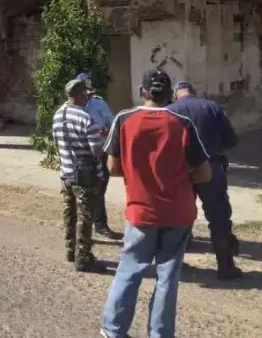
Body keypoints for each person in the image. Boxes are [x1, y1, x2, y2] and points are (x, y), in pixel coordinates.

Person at [100, 70, 211, 338]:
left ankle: (113, 329)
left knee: (129, 270)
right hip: (178, 211)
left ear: (142, 91)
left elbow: (113, 167)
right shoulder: (182, 122)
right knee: (167, 278)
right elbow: (205, 173)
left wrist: (139, 171)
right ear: (171, 95)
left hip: (141, 210)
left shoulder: (124, 119)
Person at [168, 80, 242, 280]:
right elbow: (231, 140)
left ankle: (176, 265)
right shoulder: (212, 107)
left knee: (179, 216)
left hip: (181, 171)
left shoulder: (168, 111)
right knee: (219, 217)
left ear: (176, 94)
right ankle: (226, 267)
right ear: (194, 92)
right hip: (212, 168)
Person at [52, 79, 106, 273]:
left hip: (65, 173)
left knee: (69, 212)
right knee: (85, 215)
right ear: (82, 96)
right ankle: (83, 257)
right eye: (87, 96)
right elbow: (96, 151)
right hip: (84, 176)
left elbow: (59, 143)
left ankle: (70, 249)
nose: (88, 100)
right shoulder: (86, 118)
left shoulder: (58, 115)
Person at [75, 72, 122, 240]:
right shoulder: (71, 108)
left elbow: (113, 126)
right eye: (83, 93)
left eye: (88, 93)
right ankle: (82, 230)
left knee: (99, 190)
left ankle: (100, 226)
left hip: (100, 152)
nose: (86, 97)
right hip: (82, 156)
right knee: (83, 193)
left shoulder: (99, 103)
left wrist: (105, 131)